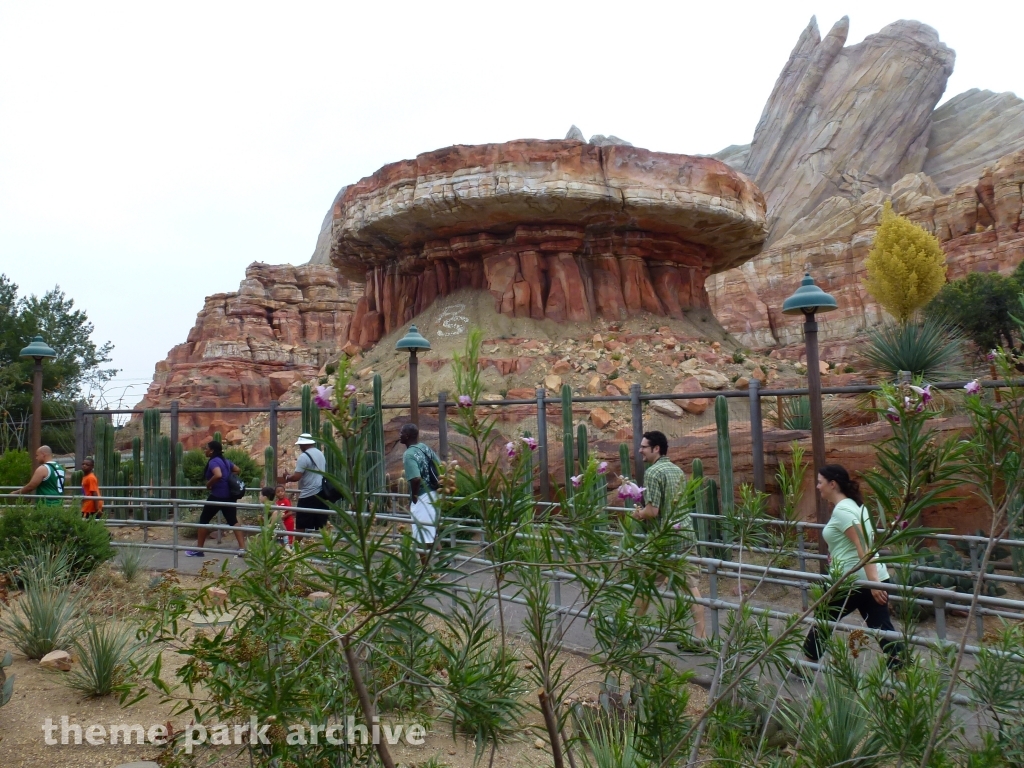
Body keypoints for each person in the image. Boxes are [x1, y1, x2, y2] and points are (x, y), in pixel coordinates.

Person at [802, 464, 904, 669]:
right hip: (869, 578)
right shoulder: (858, 506)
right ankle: (904, 675)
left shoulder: (843, 510)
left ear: (833, 484)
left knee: (823, 619)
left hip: (853, 581)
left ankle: (808, 664)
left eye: (820, 482)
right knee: (883, 629)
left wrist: (873, 582)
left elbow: (862, 543)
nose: (817, 486)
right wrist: (874, 581)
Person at [632, 430, 706, 641]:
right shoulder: (676, 470)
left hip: (663, 540)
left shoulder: (653, 473)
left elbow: (653, 511)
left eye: (643, 447)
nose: (640, 450)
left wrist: (639, 514)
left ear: (656, 448)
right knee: (691, 587)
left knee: (645, 584)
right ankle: (700, 637)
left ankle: (633, 628)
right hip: (684, 535)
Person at [185, 440, 246, 557]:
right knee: (233, 521)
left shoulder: (213, 462)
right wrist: (228, 477)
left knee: (203, 521)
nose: (205, 450)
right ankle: (242, 548)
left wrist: (209, 484)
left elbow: (218, 475)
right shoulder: (225, 461)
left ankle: (199, 550)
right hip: (229, 497)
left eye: (206, 448)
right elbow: (237, 469)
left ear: (211, 450)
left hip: (217, 496)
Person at [399, 423, 441, 563]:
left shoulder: (409, 454)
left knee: (421, 536)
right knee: (432, 530)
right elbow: (439, 465)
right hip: (434, 494)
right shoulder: (425, 448)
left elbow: (416, 478)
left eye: (401, 432)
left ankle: (425, 571)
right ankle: (443, 559)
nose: (399, 435)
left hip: (422, 496)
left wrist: (414, 497)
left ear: (407, 435)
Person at [283, 433, 329, 531]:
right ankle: (326, 545)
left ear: (303, 445)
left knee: (301, 523)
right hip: (322, 492)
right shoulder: (320, 453)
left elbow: (296, 477)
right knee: (321, 524)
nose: (300, 447)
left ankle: (296, 545)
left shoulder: (304, 457)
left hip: (309, 493)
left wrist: (287, 477)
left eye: (300, 445)